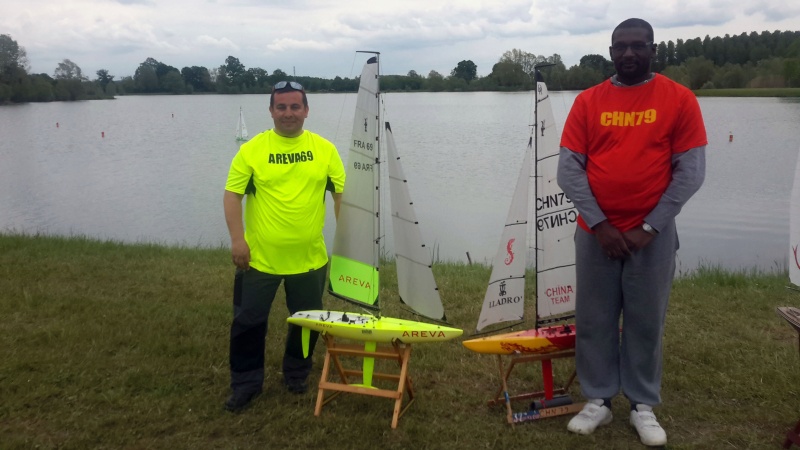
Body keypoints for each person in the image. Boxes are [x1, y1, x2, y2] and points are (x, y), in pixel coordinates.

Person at [557, 18, 707, 446]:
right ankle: (599, 401)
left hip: (652, 237)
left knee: (645, 320)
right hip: (594, 233)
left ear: (653, 51)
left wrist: (649, 227)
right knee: (594, 319)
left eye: (637, 46)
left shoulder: (679, 100)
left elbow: (690, 173)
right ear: (610, 52)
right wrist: (601, 225)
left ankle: (642, 404)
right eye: (620, 46)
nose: (628, 54)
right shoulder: (588, 101)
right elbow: (569, 169)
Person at [222, 81, 345, 412]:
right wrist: (238, 240)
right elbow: (232, 195)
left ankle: (296, 375)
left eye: (295, 107)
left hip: (310, 261)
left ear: (306, 110)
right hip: (259, 260)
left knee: (306, 324)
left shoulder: (325, 150)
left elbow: (341, 197)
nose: (288, 113)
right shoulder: (252, 150)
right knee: (248, 323)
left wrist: (348, 241)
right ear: (271, 111)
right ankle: (246, 384)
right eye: (281, 107)